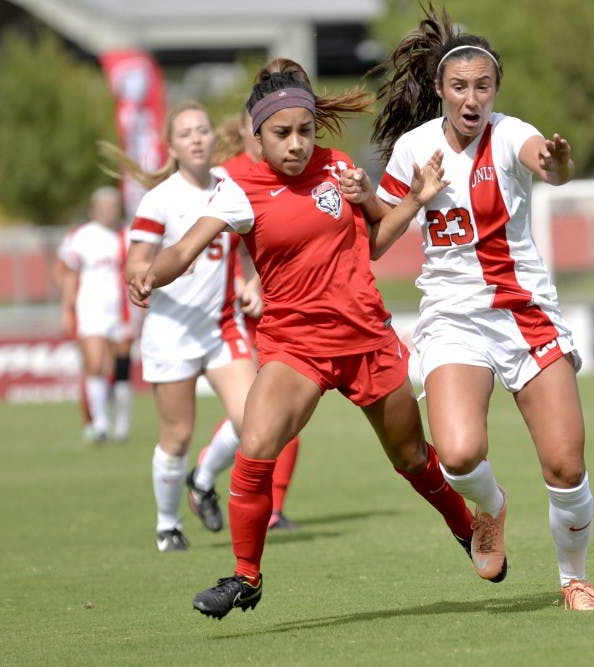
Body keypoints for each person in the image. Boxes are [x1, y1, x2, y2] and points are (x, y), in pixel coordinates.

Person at [127, 58, 476, 620]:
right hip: (295, 346)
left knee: (413, 458)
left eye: (304, 131)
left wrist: (411, 198)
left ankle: (468, 527)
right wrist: (147, 274)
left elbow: (378, 240)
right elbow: (184, 250)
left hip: (365, 339)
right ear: (255, 136)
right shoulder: (238, 189)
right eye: (281, 134)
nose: (295, 144)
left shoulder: (338, 167)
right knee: (256, 448)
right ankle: (245, 576)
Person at [344, 6, 594, 611]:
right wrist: (415, 197)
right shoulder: (415, 149)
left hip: (525, 311)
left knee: (567, 466)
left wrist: (560, 159)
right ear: (440, 90)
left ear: (496, 91)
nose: (472, 98)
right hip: (453, 317)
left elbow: (550, 163)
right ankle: (490, 510)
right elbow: (378, 241)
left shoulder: (512, 133)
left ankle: (574, 578)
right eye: (459, 87)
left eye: (482, 87)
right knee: (460, 454)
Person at [105, 100, 262, 552]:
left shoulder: (230, 188)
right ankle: (167, 525)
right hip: (171, 332)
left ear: (214, 139)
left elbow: (251, 250)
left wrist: (254, 282)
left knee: (254, 420)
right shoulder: (160, 200)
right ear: (171, 146)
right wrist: (140, 278)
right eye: (186, 133)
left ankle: (205, 477)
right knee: (176, 437)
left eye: (202, 130)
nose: (196, 138)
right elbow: (137, 259)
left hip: (220, 327)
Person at [210, 108, 303, 531]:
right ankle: (201, 476)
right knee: (258, 414)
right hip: (233, 310)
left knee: (281, 415)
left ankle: (273, 509)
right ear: (251, 125)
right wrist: (248, 282)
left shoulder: (297, 169)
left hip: (279, 306)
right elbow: (206, 245)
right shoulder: (224, 176)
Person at [53, 185, 135, 444]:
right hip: (90, 309)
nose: (110, 211)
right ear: (94, 210)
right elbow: (64, 272)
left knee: (122, 368)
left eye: (114, 206)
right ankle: (100, 423)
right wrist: (67, 308)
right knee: (95, 364)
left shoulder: (128, 235)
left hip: (122, 310)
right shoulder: (81, 236)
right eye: (105, 207)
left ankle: (122, 425)